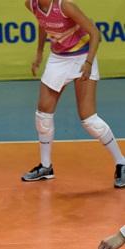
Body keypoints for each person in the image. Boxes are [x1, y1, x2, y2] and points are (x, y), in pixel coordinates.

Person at [21, 0, 125, 188]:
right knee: (43, 113)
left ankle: (122, 162)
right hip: (58, 59)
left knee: (89, 119)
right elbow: (42, 23)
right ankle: (46, 167)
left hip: (82, 57)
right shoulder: (31, 4)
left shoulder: (65, 6)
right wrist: (39, 53)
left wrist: (88, 63)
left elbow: (95, 33)